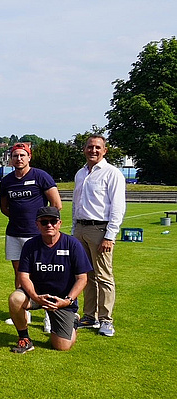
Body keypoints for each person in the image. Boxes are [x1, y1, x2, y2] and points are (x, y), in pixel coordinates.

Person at [8, 206, 92, 353]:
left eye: (53, 221)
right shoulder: (30, 245)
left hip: (62, 299)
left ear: (59, 223)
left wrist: (67, 301)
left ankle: (72, 320)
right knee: (15, 299)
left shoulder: (72, 244)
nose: (49, 225)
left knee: (62, 346)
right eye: (44, 222)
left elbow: (82, 279)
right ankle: (25, 338)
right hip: (37, 295)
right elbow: (23, 276)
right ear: (37, 224)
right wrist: (36, 297)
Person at [72, 135, 126, 337]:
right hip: (81, 228)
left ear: (104, 150)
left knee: (103, 276)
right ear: (84, 149)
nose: (93, 150)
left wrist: (110, 236)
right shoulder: (80, 174)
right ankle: (89, 316)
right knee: (86, 275)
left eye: (97, 147)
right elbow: (76, 204)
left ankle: (106, 320)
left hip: (100, 230)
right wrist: (74, 230)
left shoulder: (112, 173)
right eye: (89, 147)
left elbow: (118, 207)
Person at [0, 142, 62, 292]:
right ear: (11, 159)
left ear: (29, 157)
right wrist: (19, 218)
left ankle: (44, 305)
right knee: (19, 273)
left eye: (22, 155)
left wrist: (43, 224)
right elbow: (4, 208)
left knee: (41, 272)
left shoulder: (41, 176)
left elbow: (56, 204)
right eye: (15, 156)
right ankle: (22, 306)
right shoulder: (7, 181)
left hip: (36, 234)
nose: (19, 158)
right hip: (14, 233)